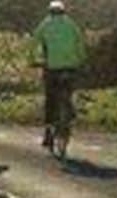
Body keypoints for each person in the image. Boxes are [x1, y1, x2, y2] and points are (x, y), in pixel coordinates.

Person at [32, 0, 87, 148]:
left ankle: (48, 132)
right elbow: (80, 42)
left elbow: (34, 41)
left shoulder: (46, 23)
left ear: (50, 12)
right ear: (64, 11)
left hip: (52, 67)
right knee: (68, 92)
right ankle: (69, 113)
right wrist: (81, 59)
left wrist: (33, 60)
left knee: (50, 98)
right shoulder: (71, 24)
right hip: (70, 67)